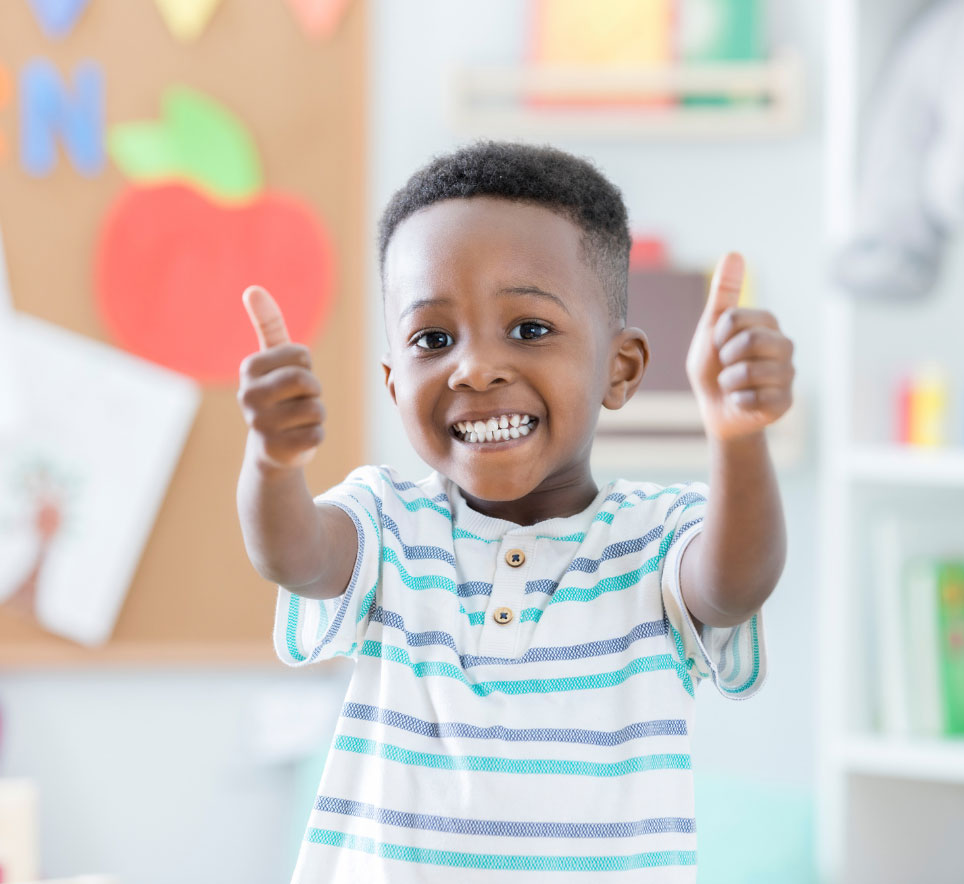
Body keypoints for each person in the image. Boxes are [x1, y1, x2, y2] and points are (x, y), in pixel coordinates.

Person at [236, 141, 794, 883]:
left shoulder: (658, 539)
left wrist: (739, 438)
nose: (473, 367)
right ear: (395, 384)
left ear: (619, 368)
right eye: (432, 339)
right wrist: (273, 463)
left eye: (529, 329)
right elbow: (294, 555)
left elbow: (736, 582)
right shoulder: (386, 523)